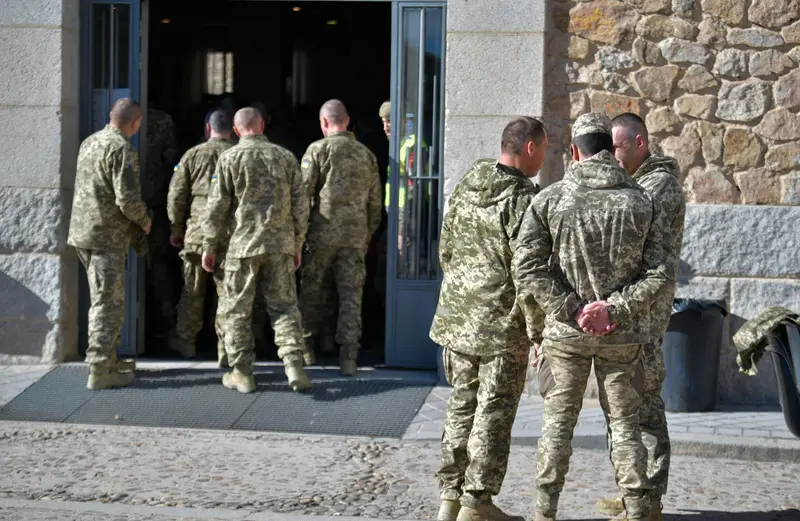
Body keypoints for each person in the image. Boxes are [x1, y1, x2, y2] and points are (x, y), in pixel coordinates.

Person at [515, 113, 674, 521]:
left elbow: (528, 266)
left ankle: (544, 512)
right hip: (622, 335)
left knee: (557, 423)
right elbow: (659, 272)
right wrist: (612, 309)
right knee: (626, 425)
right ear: (610, 149)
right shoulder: (641, 199)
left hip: (565, 335)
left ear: (574, 151)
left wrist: (571, 309)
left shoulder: (549, 199)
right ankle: (639, 510)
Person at [430, 117, 548, 521]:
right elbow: (528, 273)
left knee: (461, 406)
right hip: (500, 327)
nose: (543, 160)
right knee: (493, 414)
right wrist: (538, 333)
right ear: (530, 148)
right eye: (544, 150)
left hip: (457, 320)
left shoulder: (468, 182)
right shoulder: (523, 200)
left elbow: (445, 248)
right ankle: (476, 503)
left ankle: (449, 498)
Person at [592, 113, 685, 518]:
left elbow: (644, 256)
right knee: (621, 407)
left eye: (617, 146)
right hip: (626, 312)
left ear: (640, 143)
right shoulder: (635, 182)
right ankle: (633, 489)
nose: (611, 154)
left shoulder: (657, 186)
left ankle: (650, 499)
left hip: (643, 316)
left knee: (644, 405)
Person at [202, 107, 311, 393]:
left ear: (237, 130)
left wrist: (209, 246)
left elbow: (216, 208)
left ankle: (242, 373)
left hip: (242, 247)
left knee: (237, 310)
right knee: (284, 306)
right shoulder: (286, 157)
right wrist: (297, 243)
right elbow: (302, 206)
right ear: (262, 125)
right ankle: (293, 365)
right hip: (281, 245)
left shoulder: (229, 158)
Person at [67, 98, 151, 390]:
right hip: (106, 237)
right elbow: (126, 199)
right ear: (135, 122)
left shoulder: (89, 142)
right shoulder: (122, 149)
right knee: (107, 304)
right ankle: (101, 368)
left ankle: (108, 359)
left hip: (84, 234)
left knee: (105, 298)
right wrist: (144, 221)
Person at [298, 100, 382, 375]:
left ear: (324, 122)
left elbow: (303, 197)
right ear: (347, 122)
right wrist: (367, 234)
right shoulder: (366, 155)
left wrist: (299, 234)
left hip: (320, 236)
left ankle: (306, 350)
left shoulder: (317, 150)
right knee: (351, 297)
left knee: (312, 292)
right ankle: (349, 357)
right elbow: (375, 202)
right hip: (355, 237)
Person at [167, 110, 235, 365]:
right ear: (234, 130)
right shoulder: (238, 155)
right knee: (228, 292)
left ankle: (187, 342)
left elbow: (176, 195)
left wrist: (176, 228)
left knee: (192, 290)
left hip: (196, 234)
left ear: (208, 128)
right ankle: (225, 347)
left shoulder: (192, 155)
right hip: (229, 236)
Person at [144, 106, 180, 347]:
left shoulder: (111, 117)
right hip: (155, 203)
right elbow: (172, 162)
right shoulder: (162, 119)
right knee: (158, 266)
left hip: (135, 207)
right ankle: (167, 323)